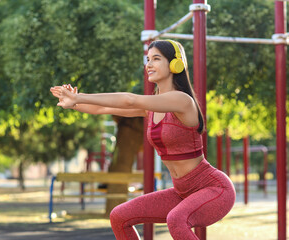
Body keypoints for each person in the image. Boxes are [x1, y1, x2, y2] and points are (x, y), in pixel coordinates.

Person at [50, 39, 236, 240]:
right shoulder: (152, 106)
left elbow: (130, 99)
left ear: (175, 64)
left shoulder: (182, 100)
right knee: (119, 216)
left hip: (214, 189)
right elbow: (103, 108)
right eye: (148, 59)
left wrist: (80, 97)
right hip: (182, 192)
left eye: (156, 59)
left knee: (176, 219)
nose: (149, 64)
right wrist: (74, 103)